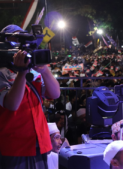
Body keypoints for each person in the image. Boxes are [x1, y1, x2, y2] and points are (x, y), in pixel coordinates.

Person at [0, 25, 60, 169]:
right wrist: (22, 72)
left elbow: (55, 94)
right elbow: (12, 104)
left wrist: (45, 70)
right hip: (14, 146)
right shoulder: (2, 73)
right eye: (17, 41)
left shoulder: (35, 70)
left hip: (40, 143)